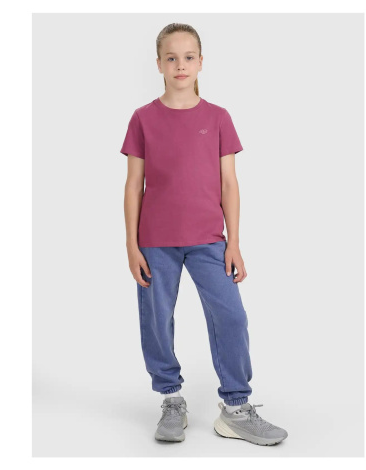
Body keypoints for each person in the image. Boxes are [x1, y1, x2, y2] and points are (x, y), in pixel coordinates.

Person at [121, 23, 288, 446]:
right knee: (157, 321)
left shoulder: (217, 118)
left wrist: (234, 242)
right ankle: (170, 399)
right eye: (171, 58)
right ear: (159, 64)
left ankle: (236, 408)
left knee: (232, 316)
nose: (180, 65)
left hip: (210, 240)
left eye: (188, 57)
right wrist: (131, 245)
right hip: (155, 242)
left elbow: (229, 183)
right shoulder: (142, 119)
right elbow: (134, 185)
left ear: (200, 62)